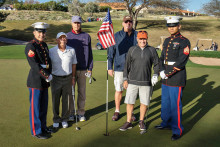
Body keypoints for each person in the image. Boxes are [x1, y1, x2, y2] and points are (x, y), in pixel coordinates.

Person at [155, 16, 191, 141]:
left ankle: (177, 129)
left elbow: (181, 61)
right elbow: (161, 58)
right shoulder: (166, 41)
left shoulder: (184, 41)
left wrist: (168, 73)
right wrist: (160, 70)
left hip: (176, 78)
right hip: (165, 78)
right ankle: (166, 123)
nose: (171, 28)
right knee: (165, 103)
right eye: (169, 26)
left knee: (175, 105)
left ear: (179, 26)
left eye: (174, 26)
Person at [119, 31, 159, 131]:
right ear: (137, 39)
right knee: (130, 102)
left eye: (144, 39)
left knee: (144, 103)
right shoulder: (132, 50)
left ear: (147, 39)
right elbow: (126, 66)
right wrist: (125, 79)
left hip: (146, 82)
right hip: (132, 81)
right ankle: (129, 122)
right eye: (140, 39)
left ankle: (141, 121)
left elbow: (157, 64)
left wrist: (155, 74)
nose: (142, 41)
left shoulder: (152, 50)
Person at [25, 22, 54, 139]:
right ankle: (36, 131)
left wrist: (49, 73)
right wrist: (46, 75)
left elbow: (48, 62)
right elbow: (35, 65)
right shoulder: (31, 46)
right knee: (35, 107)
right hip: (36, 80)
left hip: (44, 81)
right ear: (34, 32)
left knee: (43, 106)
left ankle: (43, 127)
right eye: (39, 32)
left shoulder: (44, 45)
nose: (42, 34)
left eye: (43, 32)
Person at [108, 16, 138, 121]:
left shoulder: (137, 35)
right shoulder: (116, 36)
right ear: (123, 23)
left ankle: (131, 112)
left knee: (132, 92)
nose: (128, 23)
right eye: (126, 22)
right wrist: (109, 67)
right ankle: (117, 111)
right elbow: (111, 52)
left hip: (134, 69)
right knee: (119, 90)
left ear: (132, 23)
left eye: (130, 21)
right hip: (119, 67)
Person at [66, 16, 93, 122]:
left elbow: (90, 53)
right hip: (70, 70)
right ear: (71, 24)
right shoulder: (67, 36)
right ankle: (71, 113)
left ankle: (81, 113)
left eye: (78, 23)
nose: (77, 25)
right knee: (71, 92)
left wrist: (90, 68)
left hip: (83, 69)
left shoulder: (86, 36)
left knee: (82, 92)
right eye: (75, 23)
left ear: (80, 24)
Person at [49, 32, 77, 129]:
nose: (62, 40)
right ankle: (56, 119)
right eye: (60, 38)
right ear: (57, 40)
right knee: (55, 100)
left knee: (66, 100)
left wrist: (73, 77)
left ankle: (64, 119)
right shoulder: (51, 51)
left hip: (68, 78)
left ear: (66, 40)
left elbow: (74, 64)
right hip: (55, 78)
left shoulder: (71, 50)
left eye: (64, 38)